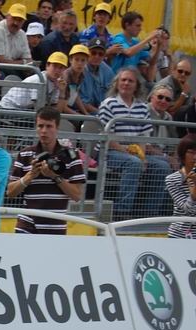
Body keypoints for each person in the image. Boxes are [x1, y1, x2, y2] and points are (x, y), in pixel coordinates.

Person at [98, 67, 170, 219]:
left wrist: (142, 156)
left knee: (162, 166)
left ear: (137, 85)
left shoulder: (142, 107)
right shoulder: (108, 104)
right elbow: (106, 137)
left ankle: (149, 213)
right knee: (134, 163)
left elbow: (143, 137)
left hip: (135, 152)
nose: (126, 83)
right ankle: (122, 212)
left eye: (130, 81)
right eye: (123, 80)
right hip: (109, 151)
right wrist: (131, 154)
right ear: (117, 83)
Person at [7, 107, 85, 233]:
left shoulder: (72, 155)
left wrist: (55, 176)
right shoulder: (25, 154)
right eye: (40, 126)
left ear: (57, 127)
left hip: (56, 225)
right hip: (27, 224)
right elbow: (10, 192)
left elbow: (76, 195)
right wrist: (30, 175)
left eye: (49, 126)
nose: (44, 131)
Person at [0, 51, 68, 110]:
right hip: (7, 108)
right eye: (55, 66)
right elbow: (38, 109)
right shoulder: (39, 79)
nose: (57, 70)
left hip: (23, 110)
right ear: (47, 66)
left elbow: (57, 111)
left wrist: (62, 92)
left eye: (61, 68)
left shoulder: (57, 83)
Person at [164, 135, 196, 238]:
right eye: (191, 152)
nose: (195, 157)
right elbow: (189, 210)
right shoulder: (172, 179)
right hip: (179, 235)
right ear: (183, 155)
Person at [0, 3, 32, 73]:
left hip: (14, 70)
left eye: (20, 20)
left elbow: (29, 59)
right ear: (7, 16)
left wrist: (24, 62)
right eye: (14, 18)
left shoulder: (22, 34)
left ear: (24, 22)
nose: (16, 23)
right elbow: (1, 61)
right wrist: (23, 62)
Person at [80, 37, 115, 115]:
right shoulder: (80, 69)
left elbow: (113, 96)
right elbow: (81, 102)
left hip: (104, 112)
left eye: (100, 54)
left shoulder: (108, 71)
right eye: (93, 53)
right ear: (88, 53)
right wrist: (101, 113)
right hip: (83, 113)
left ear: (104, 55)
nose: (97, 56)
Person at [59, 44, 90, 115]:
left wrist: (86, 113)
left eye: (83, 60)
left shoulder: (81, 74)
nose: (79, 63)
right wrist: (80, 116)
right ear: (70, 60)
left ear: (87, 62)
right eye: (76, 59)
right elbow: (63, 107)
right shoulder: (65, 76)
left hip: (70, 108)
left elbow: (75, 94)